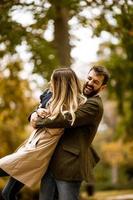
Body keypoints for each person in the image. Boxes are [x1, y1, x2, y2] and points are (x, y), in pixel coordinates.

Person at [0, 68, 86, 200]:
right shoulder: (52, 99)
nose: (50, 84)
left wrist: (39, 115)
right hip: (30, 148)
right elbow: (36, 120)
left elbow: (53, 128)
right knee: (7, 194)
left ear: (61, 85)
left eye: (53, 82)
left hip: (35, 155)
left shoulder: (69, 107)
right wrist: (37, 111)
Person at [30, 65, 110, 200]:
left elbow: (66, 119)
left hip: (70, 165)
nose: (90, 83)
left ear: (102, 87)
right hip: (51, 160)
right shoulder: (75, 96)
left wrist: (38, 122)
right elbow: (50, 103)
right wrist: (34, 113)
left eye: (96, 82)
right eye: (89, 78)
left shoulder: (94, 105)